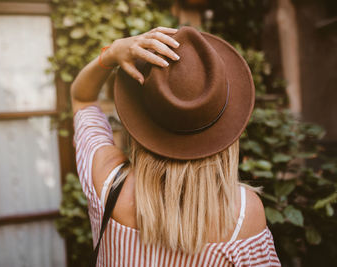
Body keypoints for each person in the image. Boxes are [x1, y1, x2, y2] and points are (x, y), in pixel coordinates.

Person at [71, 26, 281, 266]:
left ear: (141, 119)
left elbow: (82, 98)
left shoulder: (105, 180)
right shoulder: (245, 214)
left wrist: (111, 53)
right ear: (227, 131)